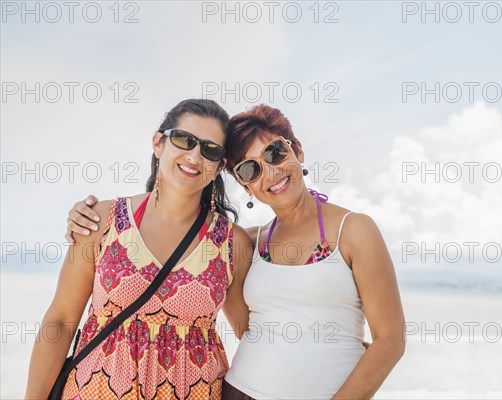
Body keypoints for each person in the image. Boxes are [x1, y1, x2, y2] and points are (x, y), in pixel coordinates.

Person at [64, 104, 406, 399]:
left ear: (297, 150)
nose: (269, 172)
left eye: (275, 153)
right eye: (250, 169)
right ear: (246, 186)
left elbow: (390, 341)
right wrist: (86, 215)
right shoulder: (247, 242)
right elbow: (248, 328)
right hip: (239, 391)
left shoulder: (355, 230)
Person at [25, 99, 252, 400]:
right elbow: (61, 321)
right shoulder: (101, 220)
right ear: (158, 143)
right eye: (184, 140)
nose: (195, 156)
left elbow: (251, 335)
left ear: (220, 166)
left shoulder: (231, 242)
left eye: (210, 150)